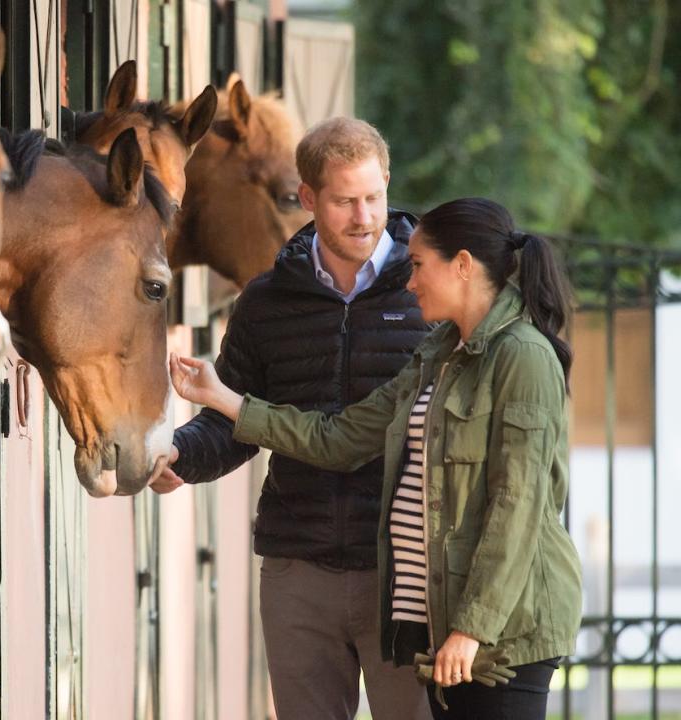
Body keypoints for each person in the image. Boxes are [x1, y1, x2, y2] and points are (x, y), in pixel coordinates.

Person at [168, 197, 583, 720]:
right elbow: (339, 438)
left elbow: (517, 506)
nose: (409, 284)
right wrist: (223, 398)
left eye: (417, 266)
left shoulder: (522, 355)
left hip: (502, 632)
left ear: (462, 264)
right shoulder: (438, 354)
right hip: (445, 627)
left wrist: (472, 629)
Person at [152, 117, 433, 719]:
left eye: (373, 197)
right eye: (343, 202)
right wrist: (182, 453)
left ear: (387, 182)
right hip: (298, 569)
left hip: (405, 573)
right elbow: (233, 415)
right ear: (308, 198)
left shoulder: (427, 291)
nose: (363, 217)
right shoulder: (265, 301)